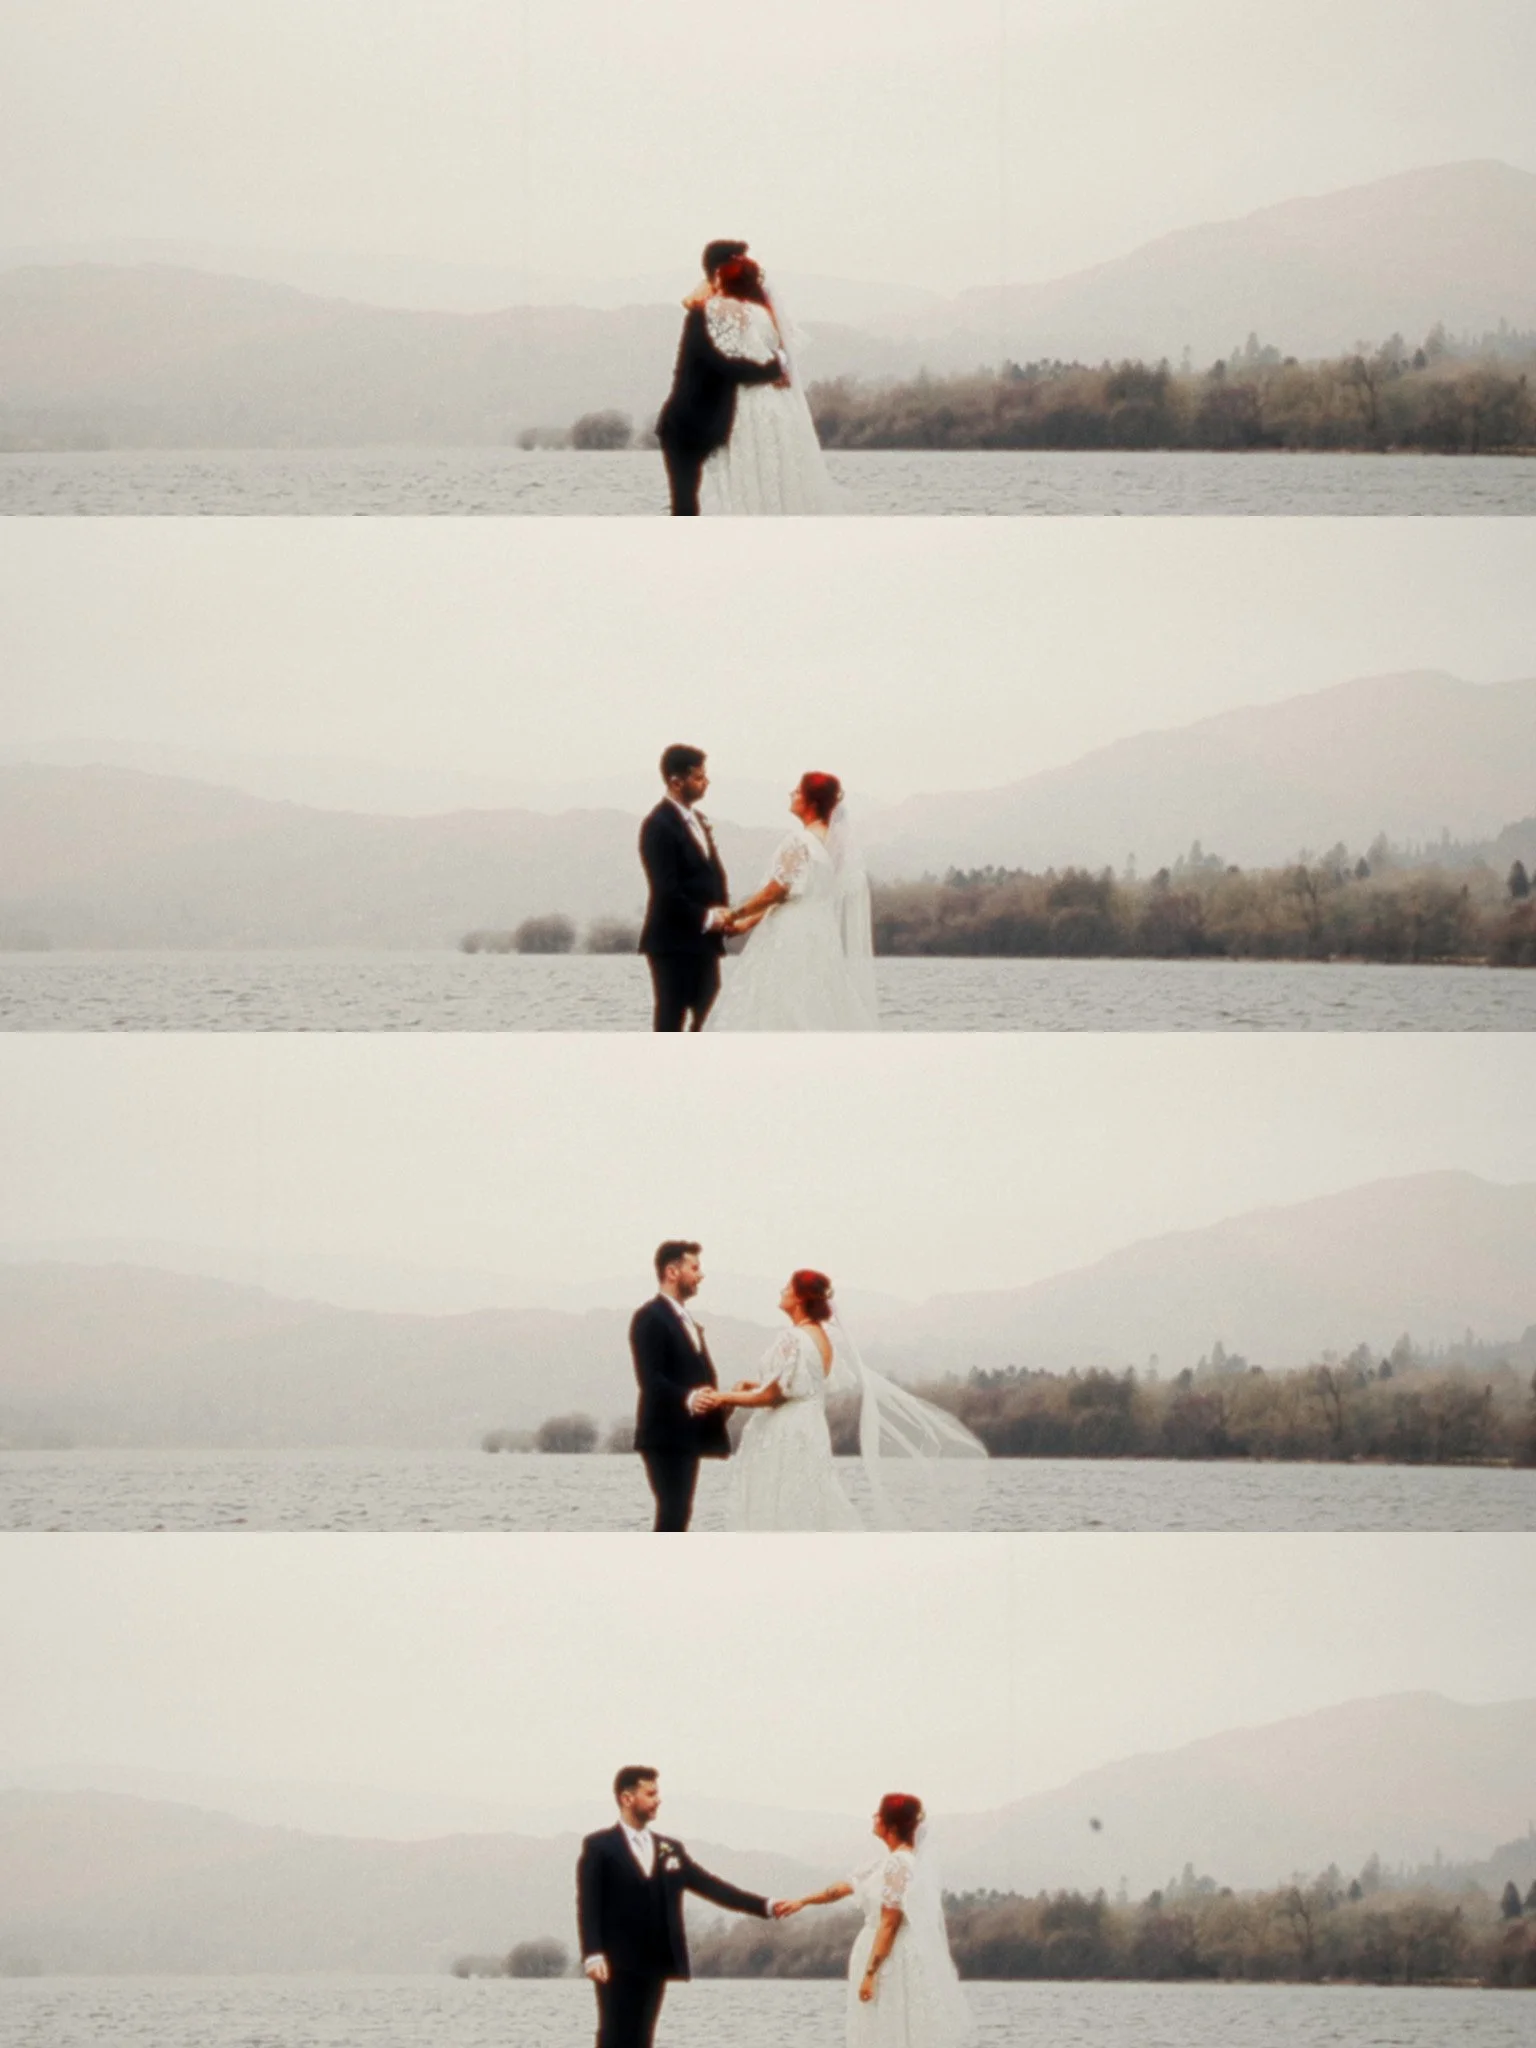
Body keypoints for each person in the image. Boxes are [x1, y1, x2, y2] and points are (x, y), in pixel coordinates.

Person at [707, 1269, 989, 1531]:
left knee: (779, 1505)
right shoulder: (821, 1339)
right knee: (808, 1503)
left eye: (787, 1287)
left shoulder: (792, 1338)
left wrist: (722, 1396)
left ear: (800, 1298)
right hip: (810, 1429)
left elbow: (772, 1395)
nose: (782, 1291)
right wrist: (747, 1386)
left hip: (785, 1432)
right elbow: (803, 1388)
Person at [577, 1766, 785, 2048]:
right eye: (650, 1794)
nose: (657, 1800)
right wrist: (592, 1953)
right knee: (614, 2034)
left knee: (643, 2036)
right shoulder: (599, 1846)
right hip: (616, 1962)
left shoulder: (670, 1849)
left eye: (657, 1793)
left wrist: (766, 1906)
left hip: (656, 1959)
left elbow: (711, 1886)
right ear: (627, 1798)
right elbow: (588, 1903)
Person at [774, 1793, 974, 2048]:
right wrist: (803, 1901)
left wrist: (871, 1972)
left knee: (887, 2022)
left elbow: (890, 1922)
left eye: (878, 1814)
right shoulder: (885, 1863)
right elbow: (844, 1887)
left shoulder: (899, 1864)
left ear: (890, 1826)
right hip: (878, 1949)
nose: (874, 1817)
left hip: (889, 1955)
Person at [707, 771, 878, 1031]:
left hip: (789, 935)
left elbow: (777, 891)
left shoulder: (800, 841)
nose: (792, 794)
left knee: (778, 1003)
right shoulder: (835, 848)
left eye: (798, 791)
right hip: (820, 936)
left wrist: (734, 914)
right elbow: (795, 896)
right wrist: (746, 924)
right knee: (814, 1004)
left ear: (811, 802)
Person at [655, 239, 791, 516]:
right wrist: (771, 370)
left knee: (699, 504)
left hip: (718, 424)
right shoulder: (704, 314)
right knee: (685, 505)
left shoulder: (727, 313)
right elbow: (717, 363)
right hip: (687, 425)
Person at [695, 253, 838, 515]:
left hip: (744, 401)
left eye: (718, 277)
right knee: (778, 471)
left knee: (744, 472)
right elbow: (780, 356)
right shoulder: (766, 314)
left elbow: (697, 309)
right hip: (777, 403)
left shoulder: (720, 307)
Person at [628, 1240, 731, 1532]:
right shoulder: (649, 1317)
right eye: (695, 1268)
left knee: (679, 1513)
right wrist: (689, 1397)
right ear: (672, 1272)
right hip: (663, 1435)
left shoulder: (684, 1318)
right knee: (673, 1513)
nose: (701, 1275)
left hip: (685, 1436)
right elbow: (650, 1378)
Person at [637, 744, 730, 1033]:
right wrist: (709, 917)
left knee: (710, 1017)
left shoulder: (698, 820)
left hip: (704, 943)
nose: (706, 782)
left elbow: (709, 875)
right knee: (670, 1020)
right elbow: (666, 891)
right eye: (699, 777)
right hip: (672, 943)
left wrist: (726, 915)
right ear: (676, 781)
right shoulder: (658, 825)